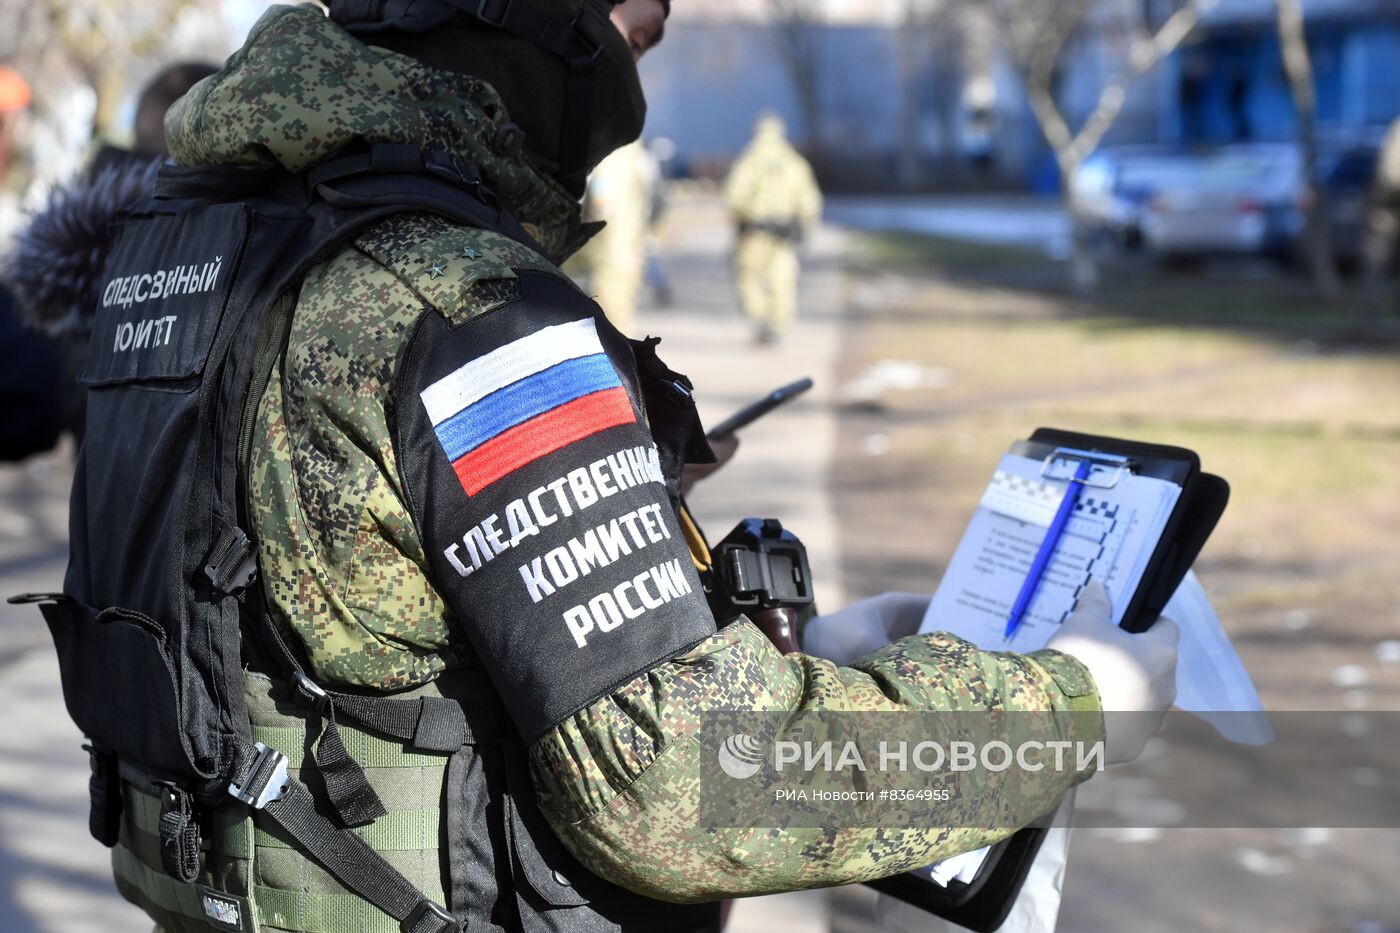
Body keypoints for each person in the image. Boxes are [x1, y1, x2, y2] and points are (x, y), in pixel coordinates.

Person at [41, 2, 1177, 931]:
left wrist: (795, 658)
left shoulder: (189, 245)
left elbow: (338, 617)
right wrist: (1064, 709)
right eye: (635, 9)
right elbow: (682, 786)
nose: (657, 25)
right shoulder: (464, 302)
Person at [723, 112, 823, 345]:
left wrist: (741, 219)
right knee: (783, 278)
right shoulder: (793, 163)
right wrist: (803, 225)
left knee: (750, 278)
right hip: (783, 233)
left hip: (754, 232)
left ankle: (760, 320)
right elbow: (809, 199)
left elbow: (734, 196)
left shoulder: (749, 160)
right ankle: (777, 325)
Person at [574, 138, 662, 335]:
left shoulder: (612, 158)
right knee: (621, 308)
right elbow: (651, 201)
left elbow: (601, 204)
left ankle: (618, 361)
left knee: (611, 311)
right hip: (629, 244)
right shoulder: (637, 157)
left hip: (611, 248)